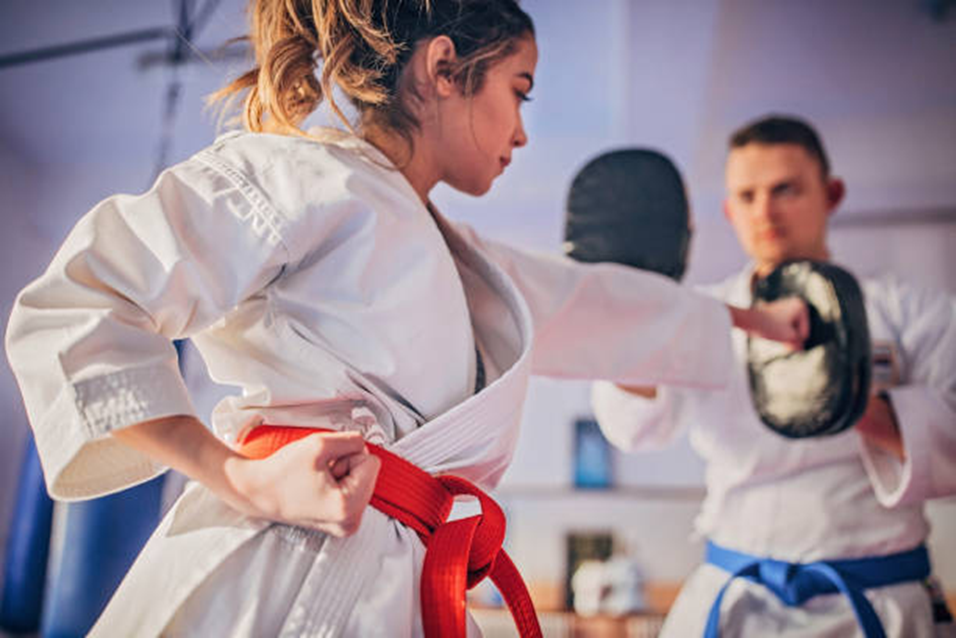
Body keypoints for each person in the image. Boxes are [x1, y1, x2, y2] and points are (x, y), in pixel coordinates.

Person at [4, 3, 807, 636]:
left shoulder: (465, 260)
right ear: (445, 69)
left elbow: (595, 303)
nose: (523, 131)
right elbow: (78, 303)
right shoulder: (301, 174)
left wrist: (756, 322)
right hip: (281, 572)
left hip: (403, 584)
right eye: (519, 90)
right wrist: (236, 474)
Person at [592, 115, 956, 637]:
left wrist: (845, 397)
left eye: (785, 189)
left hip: (878, 601)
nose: (765, 212)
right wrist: (632, 317)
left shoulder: (913, 312)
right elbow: (634, 427)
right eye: (747, 196)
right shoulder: (702, 315)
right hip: (738, 597)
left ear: (831, 194)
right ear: (729, 210)